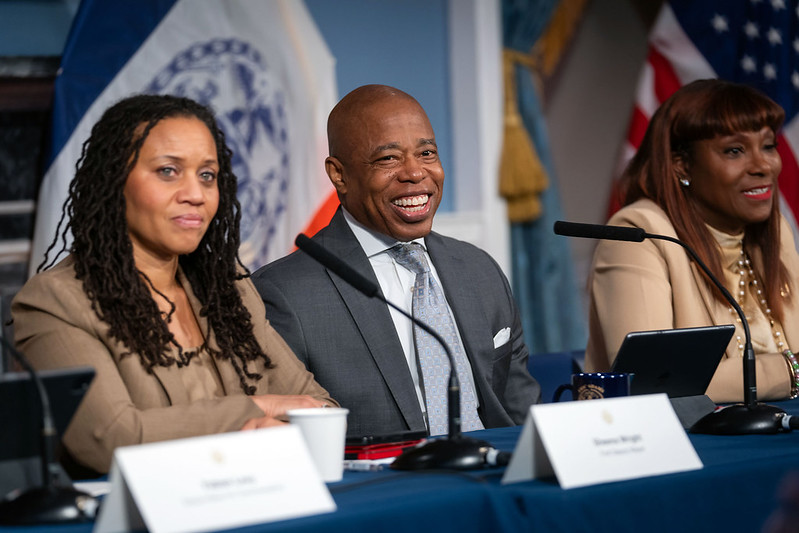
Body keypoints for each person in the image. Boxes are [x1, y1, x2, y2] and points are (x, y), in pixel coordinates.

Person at [11, 94, 336, 476]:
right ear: (114, 181)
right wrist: (258, 410)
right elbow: (113, 441)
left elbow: (319, 408)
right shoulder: (57, 302)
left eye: (207, 175)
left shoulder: (228, 290)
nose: (195, 195)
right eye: (168, 171)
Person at [253, 84, 540, 438]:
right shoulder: (284, 294)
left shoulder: (480, 270)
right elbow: (285, 438)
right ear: (339, 175)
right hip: (383, 487)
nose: (415, 172)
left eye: (427, 153)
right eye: (388, 158)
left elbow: (520, 411)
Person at [584, 79, 799, 403]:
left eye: (768, 146)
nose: (763, 165)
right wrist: (792, 371)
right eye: (735, 151)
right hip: (684, 442)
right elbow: (654, 377)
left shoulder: (773, 230)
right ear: (682, 165)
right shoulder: (639, 234)